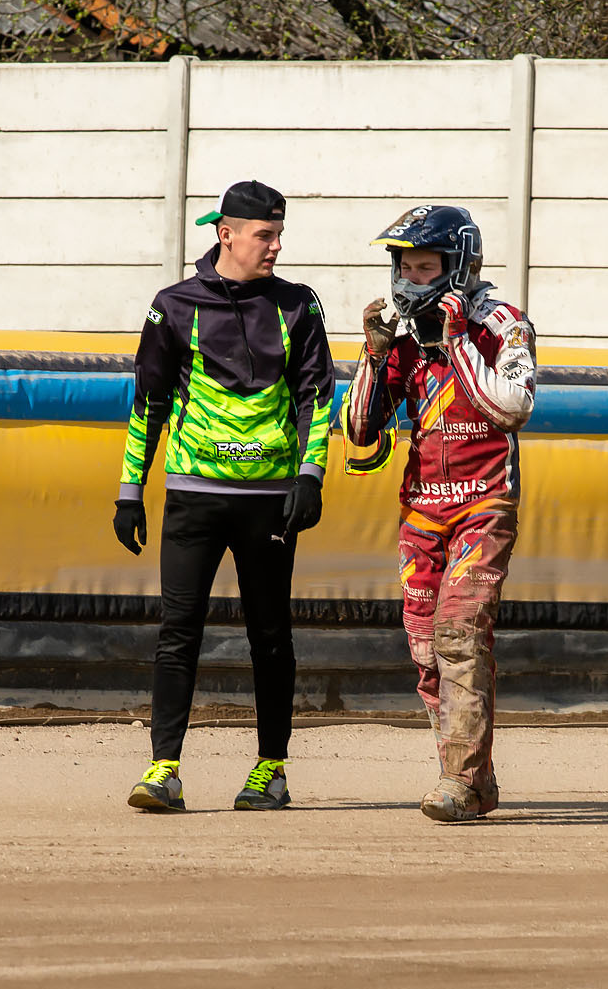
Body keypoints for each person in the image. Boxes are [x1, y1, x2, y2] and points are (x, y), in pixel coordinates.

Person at [114, 180, 334, 813]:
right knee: (177, 631)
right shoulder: (173, 305)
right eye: (265, 235)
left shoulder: (299, 304)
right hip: (193, 495)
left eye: (280, 234)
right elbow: (149, 399)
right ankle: (163, 770)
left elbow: (317, 395)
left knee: (271, 634)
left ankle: (271, 770)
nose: (276, 246)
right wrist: (130, 491)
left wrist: (311, 476)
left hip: (271, 499)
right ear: (226, 234)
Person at [343, 204, 537, 823]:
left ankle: (458, 780)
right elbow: (361, 430)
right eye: (403, 266)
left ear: (457, 266)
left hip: (485, 504)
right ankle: (475, 782)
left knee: (459, 632)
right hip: (421, 513)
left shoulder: (501, 324)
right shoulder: (403, 334)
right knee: (426, 649)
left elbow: (511, 409)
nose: (410, 279)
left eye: (424, 267)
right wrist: (374, 356)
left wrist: (455, 342)